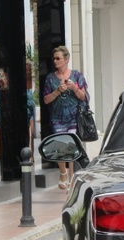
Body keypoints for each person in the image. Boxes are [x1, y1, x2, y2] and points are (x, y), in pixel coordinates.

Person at [43, 45, 89, 189]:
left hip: (74, 116)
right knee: (61, 145)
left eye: (58, 58)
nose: (55, 61)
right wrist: (57, 91)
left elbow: (84, 97)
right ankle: (63, 173)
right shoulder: (51, 78)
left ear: (66, 59)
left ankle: (71, 175)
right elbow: (45, 100)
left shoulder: (76, 76)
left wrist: (74, 88)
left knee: (71, 145)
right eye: (54, 59)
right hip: (57, 118)